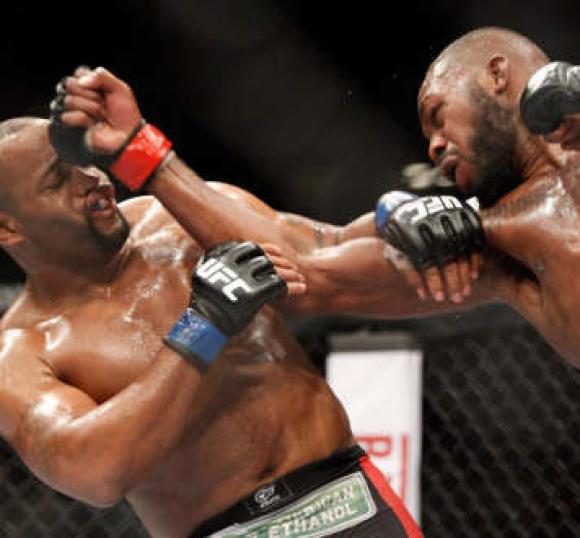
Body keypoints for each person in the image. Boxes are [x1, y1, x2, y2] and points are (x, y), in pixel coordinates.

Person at [0, 68, 430, 537]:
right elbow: (94, 473)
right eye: (56, 181)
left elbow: (324, 251)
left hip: (345, 501)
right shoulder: (21, 352)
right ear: (7, 228)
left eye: (82, 161)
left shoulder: (182, 221)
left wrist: (396, 214)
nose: (92, 179)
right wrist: (203, 325)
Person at [376, 26, 580, 370]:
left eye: (438, 116)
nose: (434, 147)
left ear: (497, 75)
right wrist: (391, 217)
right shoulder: (489, 235)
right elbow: (320, 259)